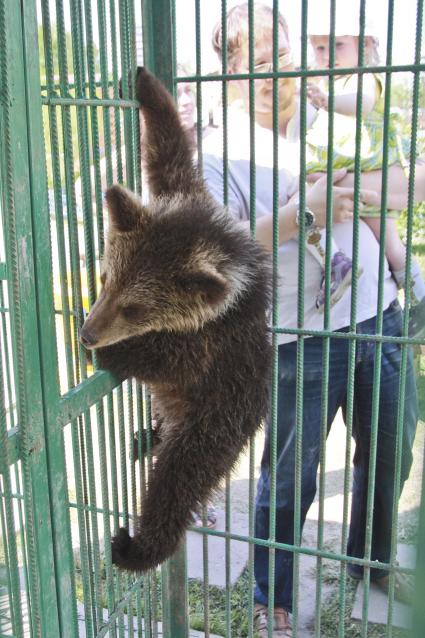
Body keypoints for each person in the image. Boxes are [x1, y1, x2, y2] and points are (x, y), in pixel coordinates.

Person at [202, 3, 418, 637]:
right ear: (231, 71)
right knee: (289, 478)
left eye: (284, 56)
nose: (277, 73)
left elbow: (402, 185)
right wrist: (308, 212)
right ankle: (273, 595)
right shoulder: (221, 153)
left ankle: (371, 563)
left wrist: (370, 194)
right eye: (260, 62)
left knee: (390, 453)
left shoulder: (337, 119)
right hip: (297, 339)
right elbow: (222, 254)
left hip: (377, 313)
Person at [298, 0, 425, 334]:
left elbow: (362, 103)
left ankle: (417, 299)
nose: (326, 55)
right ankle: (338, 264)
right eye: (319, 47)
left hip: (370, 164)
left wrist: (325, 101)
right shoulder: (329, 85)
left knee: (390, 243)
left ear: (364, 45)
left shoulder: (363, 78)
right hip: (349, 168)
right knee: (379, 235)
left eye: (337, 44)